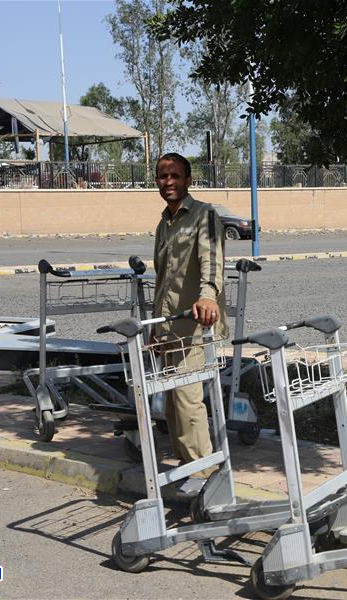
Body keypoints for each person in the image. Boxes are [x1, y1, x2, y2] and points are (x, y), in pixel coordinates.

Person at [152, 152, 227, 477]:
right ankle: (190, 469)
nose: (168, 182)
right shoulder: (164, 224)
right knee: (172, 407)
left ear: (188, 180)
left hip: (195, 328)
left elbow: (212, 259)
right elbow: (162, 280)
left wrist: (208, 296)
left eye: (175, 176)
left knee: (187, 402)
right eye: (162, 176)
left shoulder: (203, 215)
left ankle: (207, 476)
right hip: (169, 329)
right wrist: (155, 329)